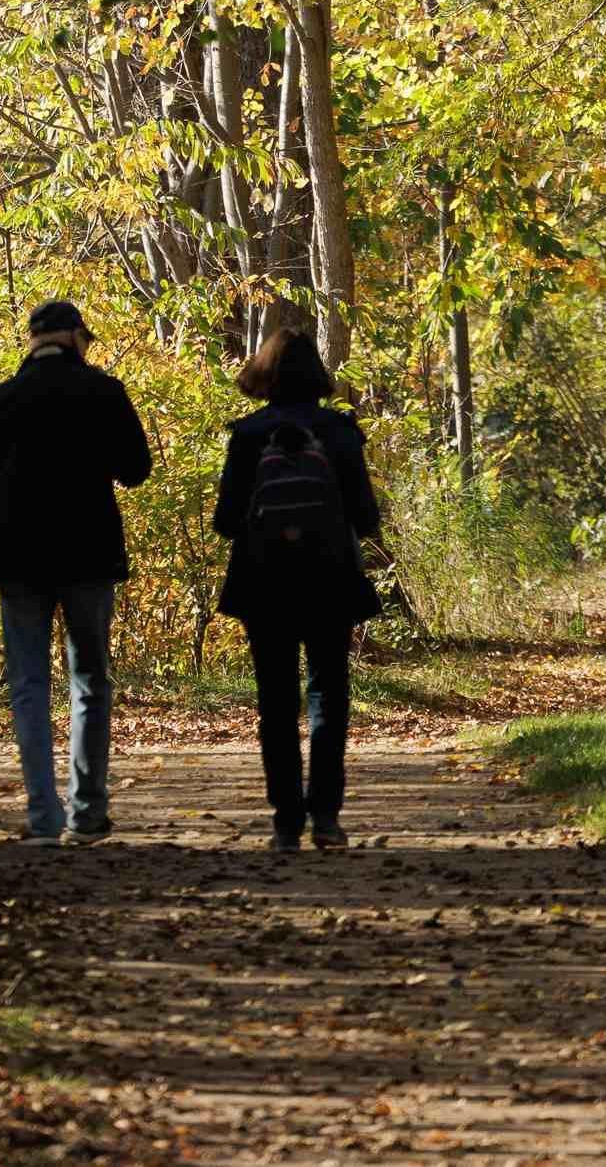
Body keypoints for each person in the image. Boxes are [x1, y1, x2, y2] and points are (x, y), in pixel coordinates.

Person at [0, 297, 153, 843]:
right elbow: (136, 470)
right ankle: (88, 811)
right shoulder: (103, 392)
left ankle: (42, 817)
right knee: (90, 682)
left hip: (19, 560)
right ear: (75, 337)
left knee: (28, 683)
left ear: (33, 342)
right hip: (88, 558)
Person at [211, 328, 384, 853]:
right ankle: (326, 817)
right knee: (328, 693)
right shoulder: (339, 432)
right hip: (330, 577)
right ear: (317, 375)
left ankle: (286, 820)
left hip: (264, 582)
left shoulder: (247, 435)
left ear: (265, 374)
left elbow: (224, 522)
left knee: (276, 698)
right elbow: (366, 518)